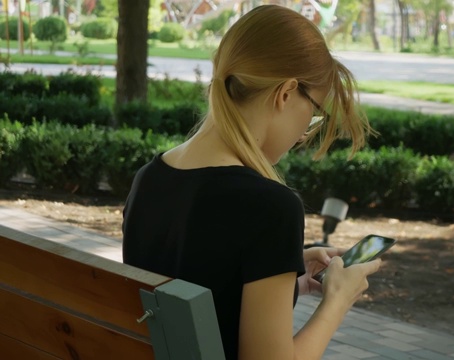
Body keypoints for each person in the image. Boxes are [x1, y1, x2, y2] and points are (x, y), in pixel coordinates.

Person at [122, 4, 381, 360]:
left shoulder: (149, 178)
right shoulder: (270, 207)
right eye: (315, 110)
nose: (306, 132)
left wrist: (279, 271)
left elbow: (196, 276)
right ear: (286, 93)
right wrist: (337, 301)